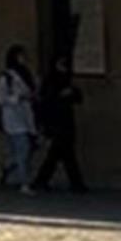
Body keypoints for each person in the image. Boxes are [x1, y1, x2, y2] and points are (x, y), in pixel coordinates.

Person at [32, 46, 88, 194]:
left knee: (62, 153)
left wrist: (70, 93)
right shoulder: (51, 80)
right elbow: (46, 100)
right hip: (57, 121)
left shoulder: (66, 80)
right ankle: (72, 182)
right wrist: (60, 95)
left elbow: (78, 97)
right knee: (61, 153)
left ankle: (45, 181)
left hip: (66, 120)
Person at [0, 46, 40, 190]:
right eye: (20, 56)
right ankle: (24, 182)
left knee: (26, 149)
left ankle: (8, 166)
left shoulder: (27, 74)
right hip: (13, 117)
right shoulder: (6, 77)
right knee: (23, 149)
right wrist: (17, 98)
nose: (23, 59)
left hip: (26, 115)